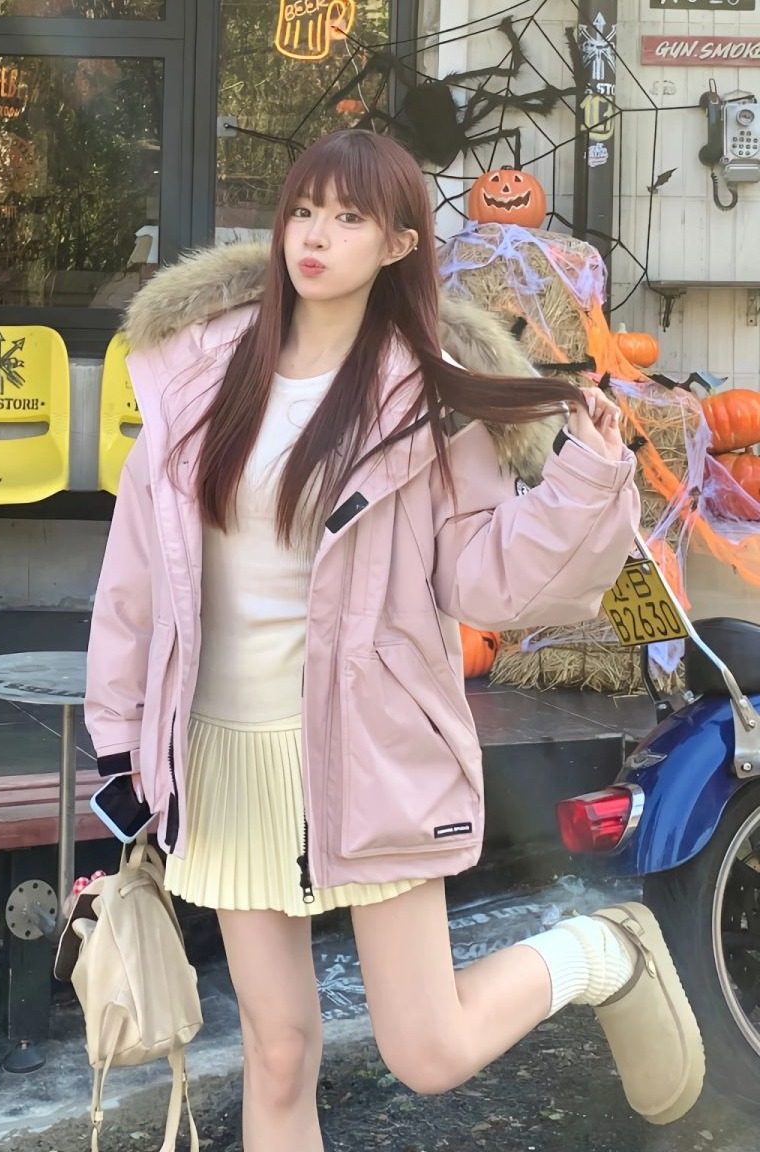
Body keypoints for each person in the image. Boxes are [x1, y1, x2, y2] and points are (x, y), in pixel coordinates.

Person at [84, 129, 704, 1152]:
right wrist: (119, 741)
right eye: (302, 211)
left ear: (401, 243)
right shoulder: (199, 378)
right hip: (223, 754)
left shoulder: (432, 397)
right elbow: (136, 582)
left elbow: (488, 580)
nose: (314, 236)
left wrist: (588, 480)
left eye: (348, 218)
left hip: (371, 744)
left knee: (428, 1050)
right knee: (277, 1053)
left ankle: (602, 951)